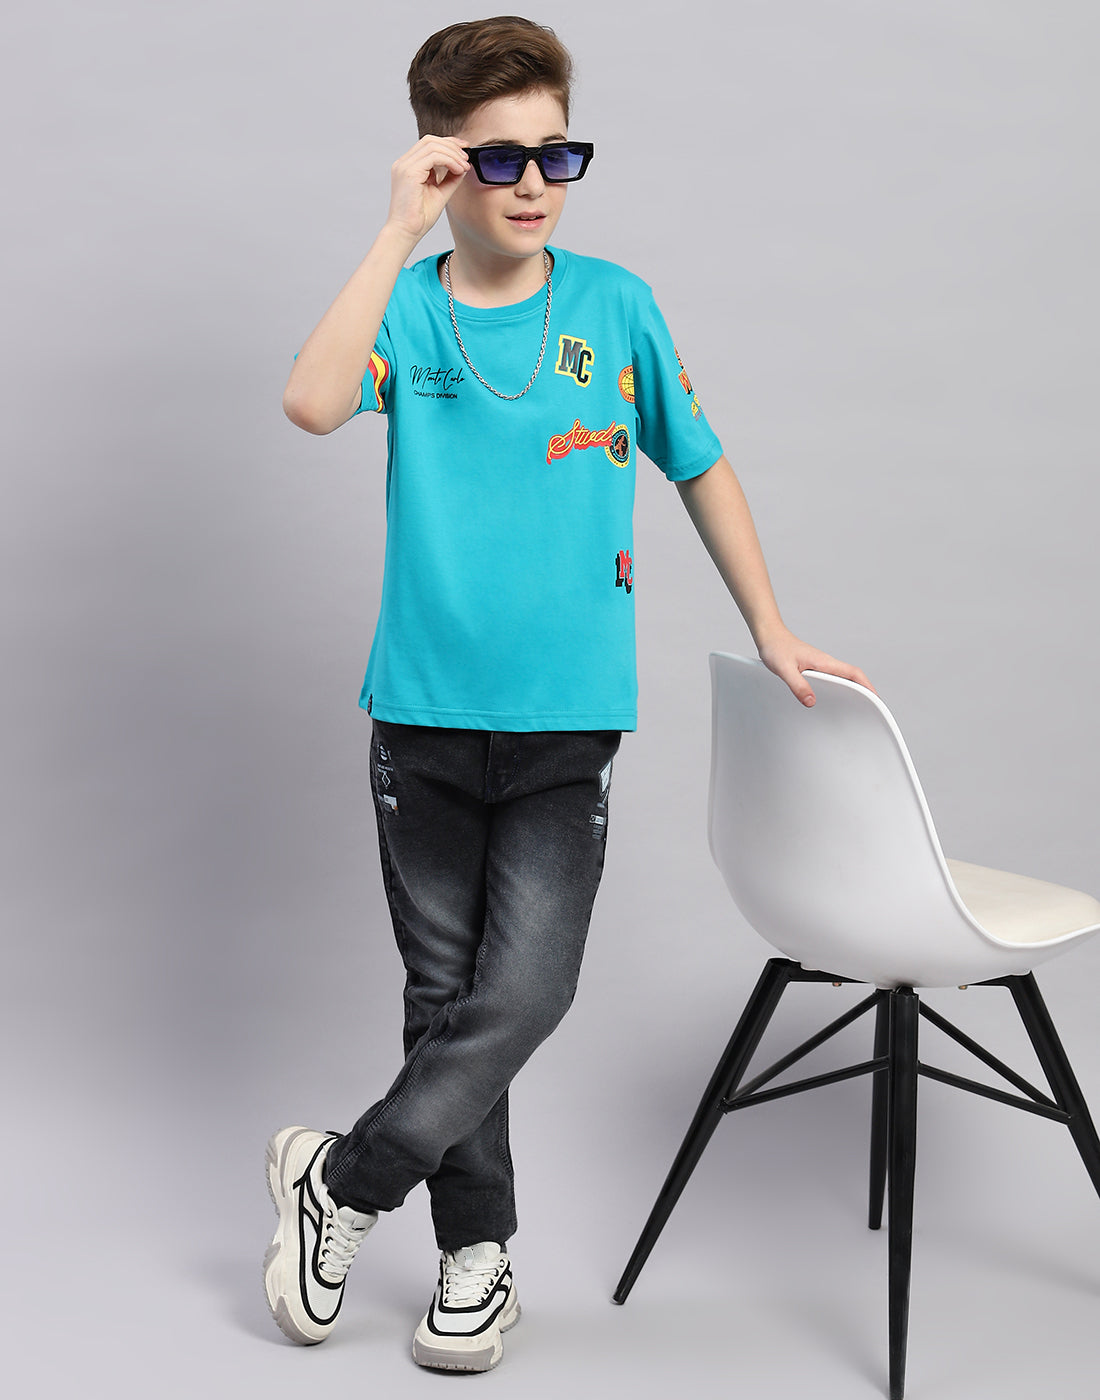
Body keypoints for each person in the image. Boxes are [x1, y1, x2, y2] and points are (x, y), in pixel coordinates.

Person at [264, 14, 871, 1375]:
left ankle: (341, 1183)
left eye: (558, 153)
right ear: (441, 164)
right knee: (444, 999)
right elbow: (310, 403)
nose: (534, 182)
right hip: (421, 719)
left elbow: (698, 461)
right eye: (497, 159)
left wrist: (770, 625)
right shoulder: (407, 307)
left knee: (523, 993)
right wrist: (391, 234)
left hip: (565, 724)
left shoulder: (616, 305)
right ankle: (477, 1258)